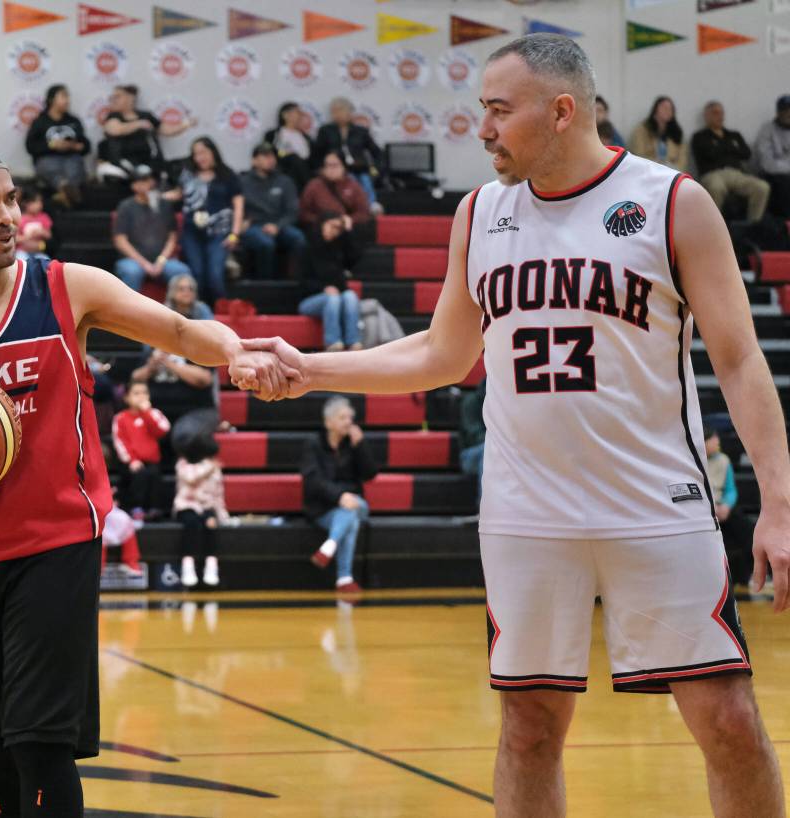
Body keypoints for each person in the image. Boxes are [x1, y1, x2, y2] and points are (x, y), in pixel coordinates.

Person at [240, 34, 789, 817]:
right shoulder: (481, 212)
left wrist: (779, 502)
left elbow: (739, 361)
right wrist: (313, 369)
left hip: (656, 506)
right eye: (481, 111)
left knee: (729, 719)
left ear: (562, 111)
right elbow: (441, 353)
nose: (483, 128)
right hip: (527, 514)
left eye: (499, 110)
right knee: (529, 727)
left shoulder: (674, 202)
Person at [0, 137, 288, 816]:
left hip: (55, 543)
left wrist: (235, 353)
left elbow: (181, 332)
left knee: (41, 742)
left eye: (12, 199)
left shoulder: (66, 287)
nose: (9, 216)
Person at [301, 396, 376, 595]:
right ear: (329, 422)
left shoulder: (353, 444)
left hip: (357, 503)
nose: (349, 422)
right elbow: (313, 482)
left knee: (354, 506)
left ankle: (329, 546)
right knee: (350, 519)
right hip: (323, 509)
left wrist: (361, 446)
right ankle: (344, 578)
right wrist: (340, 496)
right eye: (343, 417)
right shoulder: (313, 445)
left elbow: (370, 474)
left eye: (350, 417)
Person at [172, 137, 243, 307]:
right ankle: (197, 314)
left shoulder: (227, 175)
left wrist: (235, 234)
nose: (199, 157)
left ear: (213, 152)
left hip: (219, 231)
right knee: (196, 273)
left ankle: (221, 314)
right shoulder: (187, 175)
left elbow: (238, 206)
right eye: (196, 154)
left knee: (215, 274)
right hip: (192, 231)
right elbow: (178, 194)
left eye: (203, 152)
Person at [113, 164, 190, 292]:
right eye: (143, 180)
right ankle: (130, 311)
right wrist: (144, 264)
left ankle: (179, 312)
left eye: (150, 179)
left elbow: (172, 237)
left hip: (163, 260)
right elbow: (120, 240)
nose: (149, 184)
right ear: (134, 185)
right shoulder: (126, 207)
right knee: (132, 272)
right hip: (133, 260)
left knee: (182, 271)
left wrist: (161, 260)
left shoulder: (164, 205)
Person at [691, 101, 769, 222]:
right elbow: (709, 154)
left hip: (737, 174)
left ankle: (752, 226)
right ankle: (713, 227)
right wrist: (732, 148)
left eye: (722, 113)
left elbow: (746, 154)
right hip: (713, 174)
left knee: (762, 187)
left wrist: (721, 148)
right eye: (715, 113)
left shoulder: (734, 135)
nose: (720, 116)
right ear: (706, 116)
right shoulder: (700, 136)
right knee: (716, 188)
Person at [97, 84, 195, 180]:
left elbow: (166, 130)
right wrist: (138, 124)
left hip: (150, 165)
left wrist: (185, 124)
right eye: (112, 97)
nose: (113, 100)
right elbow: (115, 129)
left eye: (117, 97)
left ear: (130, 98)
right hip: (125, 168)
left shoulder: (146, 115)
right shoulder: (113, 117)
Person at [298, 212, 362, 351]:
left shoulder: (338, 247)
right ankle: (333, 342)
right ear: (322, 224)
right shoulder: (306, 246)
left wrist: (349, 230)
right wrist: (323, 289)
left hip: (337, 297)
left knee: (350, 296)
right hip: (309, 300)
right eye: (332, 226)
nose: (335, 231)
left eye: (339, 228)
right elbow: (301, 281)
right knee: (332, 299)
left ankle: (353, 341)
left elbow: (355, 258)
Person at [239, 142, 305, 279]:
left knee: (299, 238)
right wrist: (241, 222)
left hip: (279, 223)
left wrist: (278, 226)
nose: (270, 159)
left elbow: (293, 211)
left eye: (272, 156)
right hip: (253, 225)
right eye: (265, 155)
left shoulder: (285, 181)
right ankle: (265, 285)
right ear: (254, 160)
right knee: (265, 243)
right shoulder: (242, 182)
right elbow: (235, 207)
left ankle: (296, 281)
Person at [111, 380, 170, 522]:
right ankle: (136, 508)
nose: (141, 396)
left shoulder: (154, 413)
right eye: (136, 393)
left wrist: (147, 413)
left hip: (152, 461)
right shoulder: (120, 418)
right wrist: (132, 460)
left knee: (154, 476)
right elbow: (120, 441)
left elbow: (162, 430)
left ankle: (155, 509)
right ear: (127, 398)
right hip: (131, 462)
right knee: (139, 477)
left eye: (144, 393)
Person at [704, 426, 754, 588]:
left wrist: (726, 505)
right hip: (702, 510)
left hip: (721, 508)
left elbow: (730, 490)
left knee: (747, 530)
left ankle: (744, 578)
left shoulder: (723, 460)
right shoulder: (690, 459)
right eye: (713, 438)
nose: (717, 441)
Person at [313, 97, 383, 213]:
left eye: (339, 111)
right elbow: (317, 153)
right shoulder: (325, 131)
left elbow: (377, 152)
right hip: (334, 169)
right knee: (351, 179)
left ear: (350, 113)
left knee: (364, 178)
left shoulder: (361, 131)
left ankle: (371, 205)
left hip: (358, 168)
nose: (336, 114)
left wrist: (376, 169)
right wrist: (321, 169)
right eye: (333, 111)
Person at [24, 84, 90, 209]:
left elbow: (86, 146)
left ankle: (64, 193)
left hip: (71, 157)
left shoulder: (74, 121)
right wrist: (52, 146)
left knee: (75, 166)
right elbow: (30, 146)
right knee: (49, 166)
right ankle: (68, 191)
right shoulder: (40, 121)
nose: (68, 100)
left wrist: (74, 146)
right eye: (64, 96)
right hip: (48, 158)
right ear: (51, 99)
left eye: (68, 96)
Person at [173, 437, 227, 588]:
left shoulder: (215, 468)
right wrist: (209, 468)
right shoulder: (183, 464)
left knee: (211, 524)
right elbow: (191, 479)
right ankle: (188, 565)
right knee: (192, 523)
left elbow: (218, 494)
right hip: (186, 506)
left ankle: (211, 565)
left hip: (206, 507)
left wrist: (221, 515)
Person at [299, 151, 371, 230]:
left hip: (346, 228)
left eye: (335, 165)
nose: (331, 169)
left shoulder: (353, 186)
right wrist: (323, 222)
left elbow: (363, 212)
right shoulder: (314, 186)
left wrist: (344, 221)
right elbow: (303, 213)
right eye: (328, 165)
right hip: (321, 229)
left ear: (343, 167)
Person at [753, 94, 790, 218]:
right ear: (778, 112)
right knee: (785, 184)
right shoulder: (767, 130)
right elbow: (767, 164)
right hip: (772, 176)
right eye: (785, 110)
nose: (788, 113)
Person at [629, 95, 688, 171]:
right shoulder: (642, 130)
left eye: (671, 109)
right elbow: (637, 154)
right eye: (664, 107)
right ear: (655, 110)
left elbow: (682, 159)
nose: (668, 111)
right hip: (648, 169)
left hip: (672, 171)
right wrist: (656, 164)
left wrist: (678, 171)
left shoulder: (677, 132)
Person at [264, 102, 313, 191]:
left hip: (305, 167)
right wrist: (286, 154)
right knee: (293, 158)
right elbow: (273, 151)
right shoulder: (274, 134)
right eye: (297, 113)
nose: (300, 116)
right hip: (285, 166)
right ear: (285, 115)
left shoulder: (306, 137)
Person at [458, 377, 486, 503]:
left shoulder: (504, 404)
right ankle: (483, 508)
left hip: (498, 451)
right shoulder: (471, 402)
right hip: (469, 456)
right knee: (487, 451)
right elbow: (475, 436)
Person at [16, 188, 52, 264]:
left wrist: (42, 232)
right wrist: (26, 238)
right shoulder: (20, 218)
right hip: (22, 251)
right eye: (35, 202)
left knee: (46, 261)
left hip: (38, 251)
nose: (39, 205)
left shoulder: (43, 217)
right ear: (26, 203)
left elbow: (49, 235)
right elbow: (15, 238)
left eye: (40, 202)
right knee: (20, 260)